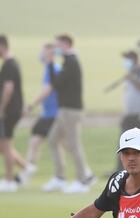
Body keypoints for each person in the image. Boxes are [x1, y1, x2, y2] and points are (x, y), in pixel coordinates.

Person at [42, 33, 96, 194]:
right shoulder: (66, 61)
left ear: (66, 44)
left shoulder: (71, 61)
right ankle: (60, 177)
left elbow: (56, 84)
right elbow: (56, 83)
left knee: (74, 144)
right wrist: (52, 64)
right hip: (63, 109)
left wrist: (51, 63)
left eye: (58, 44)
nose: (56, 48)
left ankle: (83, 180)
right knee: (53, 140)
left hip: (72, 110)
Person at [0, 34, 27, 193]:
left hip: (9, 110)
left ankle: (9, 181)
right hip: (8, 109)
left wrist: (2, 109)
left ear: (2, 46)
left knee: (6, 144)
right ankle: (26, 167)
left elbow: (8, 88)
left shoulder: (11, 64)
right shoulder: (5, 64)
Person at [21, 43, 60, 183]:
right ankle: (26, 174)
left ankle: (82, 175)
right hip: (48, 113)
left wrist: (30, 106)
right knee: (36, 142)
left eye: (44, 52)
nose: (41, 55)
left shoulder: (53, 69)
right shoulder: (49, 69)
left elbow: (47, 90)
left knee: (64, 145)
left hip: (53, 114)